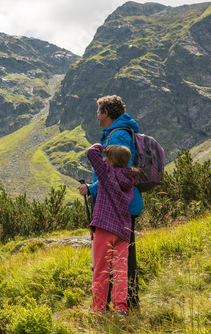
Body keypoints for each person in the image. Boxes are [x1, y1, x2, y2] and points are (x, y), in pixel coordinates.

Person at [77, 95, 143, 310]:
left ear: (105, 112)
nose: (96, 117)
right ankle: (121, 306)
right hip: (123, 208)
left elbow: (114, 174)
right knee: (122, 261)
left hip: (112, 212)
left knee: (111, 263)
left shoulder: (118, 135)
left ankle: (118, 304)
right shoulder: (119, 133)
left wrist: (92, 188)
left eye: (98, 112)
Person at [86, 143, 139, 314]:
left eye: (106, 157)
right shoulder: (129, 179)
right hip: (123, 231)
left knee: (101, 269)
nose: (103, 159)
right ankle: (120, 308)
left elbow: (91, 153)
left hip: (104, 227)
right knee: (120, 271)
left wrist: (102, 146)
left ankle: (99, 307)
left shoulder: (106, 173)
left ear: (111, 161)